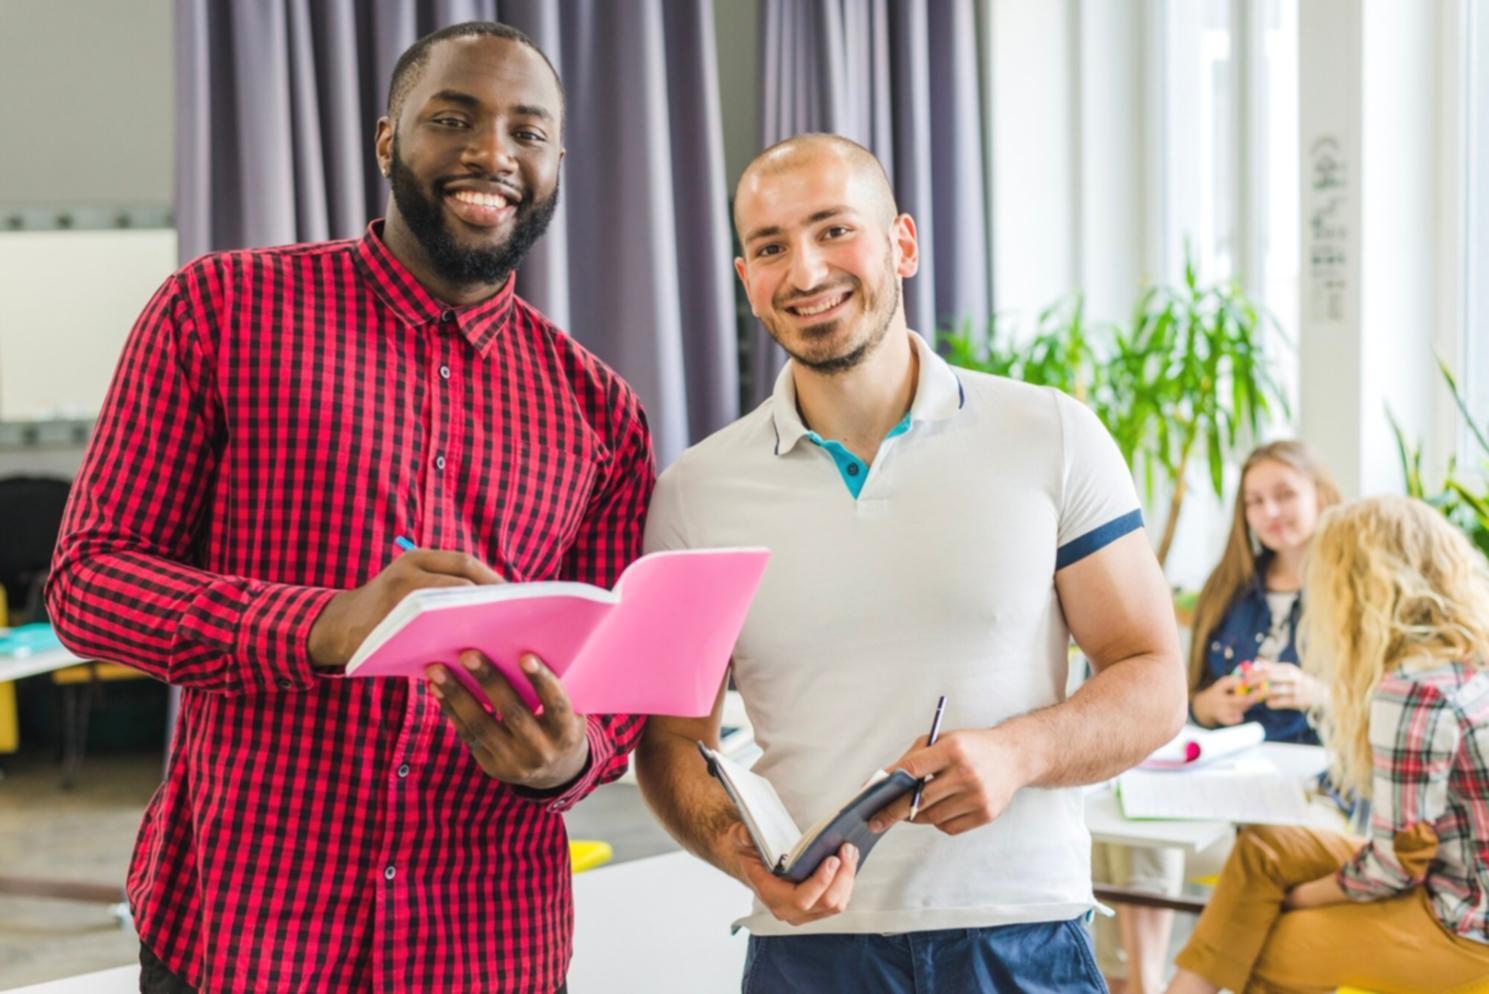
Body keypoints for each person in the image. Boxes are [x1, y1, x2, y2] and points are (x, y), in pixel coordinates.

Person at [46, 22, 654, 994]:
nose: (492, 152)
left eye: (527, 132)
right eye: (452, 119)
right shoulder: (217, 311)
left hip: (486, 947)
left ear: (555, 163)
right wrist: (324, 624)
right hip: (244, 934)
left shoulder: (602, 413)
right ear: (386, 141)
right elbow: (89, 582)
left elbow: (615, 683)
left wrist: (568, 758)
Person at [633, 133, 1187, 994]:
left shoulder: (1051, 435)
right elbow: (671, 741)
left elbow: (1151, 676)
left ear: (902, 244)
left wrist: (1018, 753)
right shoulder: (693, 494)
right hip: (807, 957)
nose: (805, 271)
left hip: (1021, 940)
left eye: (833, 230)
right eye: (770, 248)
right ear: (746, 280)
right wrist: (741, 852)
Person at [1165, 496, 1489, 993]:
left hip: (1464, 927)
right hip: (1455, 880)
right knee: (1264, 848)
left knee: (1260, 939)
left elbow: (1397, 866)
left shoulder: (1412, 690)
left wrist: (1302, 897)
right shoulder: (1462, 660)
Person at [1092, 439, 1343, 993]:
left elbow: (1382, 705)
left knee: (1139, 836)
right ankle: (1139, 982)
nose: (1269, 512)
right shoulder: (1229, 588)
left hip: (1304, 793)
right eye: (1254, 501)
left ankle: (1141, 982)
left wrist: (1318, 693)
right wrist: (1207, 705)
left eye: (1284, 494)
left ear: (1321, 495)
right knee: (1128, 830)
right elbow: (1186, 698)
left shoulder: (1351, 594)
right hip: (1219, 780)